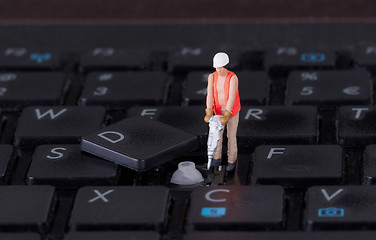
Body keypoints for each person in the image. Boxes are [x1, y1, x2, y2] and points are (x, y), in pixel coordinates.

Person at [204, 52, 240, 171]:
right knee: (216, 135)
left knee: (231, 136)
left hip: (231, 111)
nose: (218, 70)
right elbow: (210, 95)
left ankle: (231, 160)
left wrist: (227, 114)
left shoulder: (232, 78)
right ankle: (216, 158)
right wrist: (209, 110)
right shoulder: (212, 77)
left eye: (220, 68)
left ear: (226, 66)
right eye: (216, 68)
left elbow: (232, 97)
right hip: (217, 110)